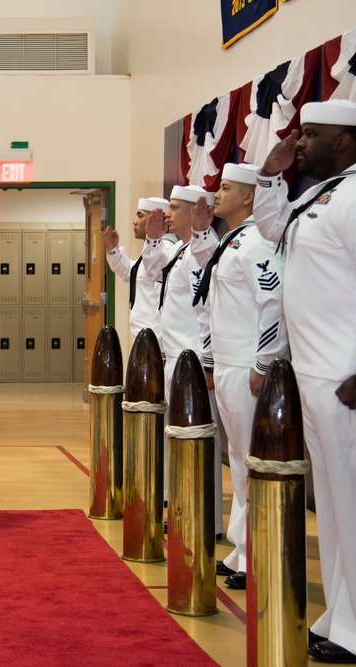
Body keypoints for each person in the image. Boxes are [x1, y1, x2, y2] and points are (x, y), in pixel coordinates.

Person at [254, 99, 356, 664]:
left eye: (311, 135)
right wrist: (272, 173)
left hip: (348, 380)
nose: (301, 143)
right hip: (317, 375)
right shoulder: (324, 194)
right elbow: (273, 230)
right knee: (338, 508)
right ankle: (344, 619)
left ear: (345, 140)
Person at [189, 162, 287, 592]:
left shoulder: (257, 243)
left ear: (249, 196)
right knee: (240, 464)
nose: (217, 193)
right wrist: (212, 359)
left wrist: (263, 363)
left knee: (252, 463)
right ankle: (242, 547)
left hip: (248, 366)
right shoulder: (233, 241)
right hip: (229, 363)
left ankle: (258, 553)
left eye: (226, 187)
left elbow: (274, 301)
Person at [143, 184, 225, 535]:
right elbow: (149, 272)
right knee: (178, 438)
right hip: (174, 358)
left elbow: (206, 308)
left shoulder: (201, 252)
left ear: (196, 212)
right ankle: (182, 507)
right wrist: (152, 240)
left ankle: (206, 518)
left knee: (199, 441)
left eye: (175, 207)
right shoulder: (182, 250)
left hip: (191, 361)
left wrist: (206, 361)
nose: (168, 212)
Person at [104, 197, 170, 340]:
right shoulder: (149, 251)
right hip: (142, 334)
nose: (135, 221)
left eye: (140, 216)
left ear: (156, 220)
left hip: (155, 337)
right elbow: (131, 272)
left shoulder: (165, 250)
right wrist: (113, 250)